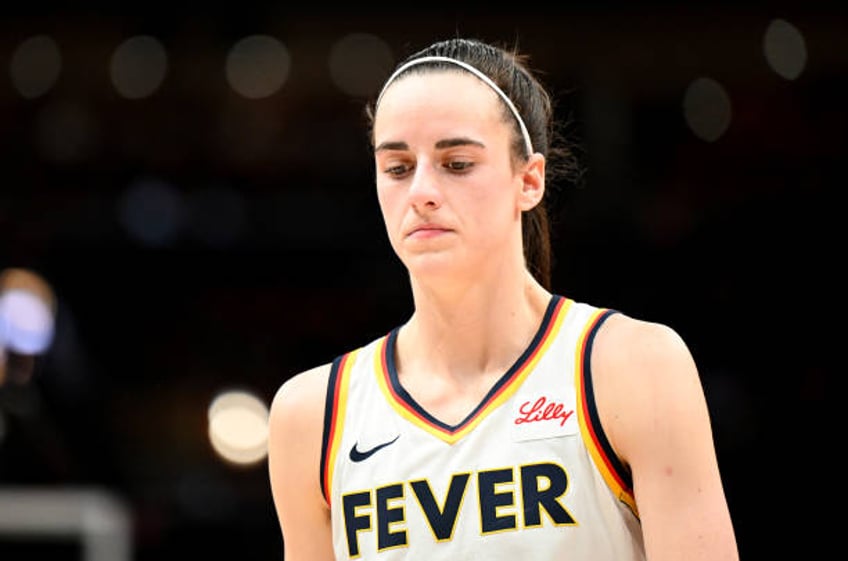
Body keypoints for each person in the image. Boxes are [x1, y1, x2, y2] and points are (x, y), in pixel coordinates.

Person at [267, 36, 739, 561]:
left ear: (529, 180)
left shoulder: (632, 366)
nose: (422, 191)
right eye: (398, 168)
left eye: (457, 163)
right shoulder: (312, 415)